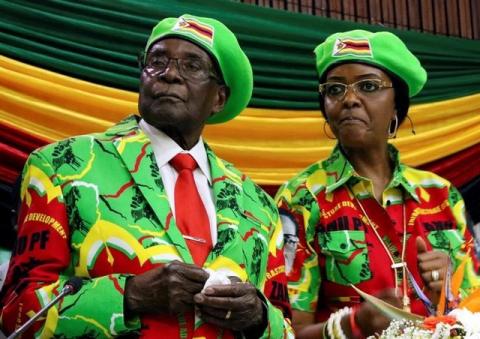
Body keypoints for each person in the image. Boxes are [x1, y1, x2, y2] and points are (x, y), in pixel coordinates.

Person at [0, 14, 293, 338]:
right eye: (157, 62)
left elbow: (286, 328)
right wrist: (131, 296)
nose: (169, 74)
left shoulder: (260, 207)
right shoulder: (61, 166)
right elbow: (16, 312)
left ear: (219, 98)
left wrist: (259, 316)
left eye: (192, 66)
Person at [275, 29, 480, 338]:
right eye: (334, 89)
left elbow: (474, 311)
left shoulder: (441, 195)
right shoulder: (302, 197)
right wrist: (353, 324)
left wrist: (449, 290)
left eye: (368, 86)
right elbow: (286, 329)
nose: (349, 100)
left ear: (397, 104)